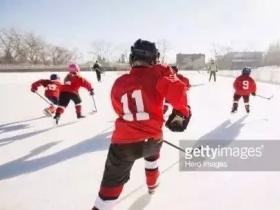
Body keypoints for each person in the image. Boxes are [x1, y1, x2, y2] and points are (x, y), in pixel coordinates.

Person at [91, 39, 191, 210]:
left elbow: (118, 109)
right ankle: (152, 186)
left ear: (132, 58)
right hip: (152, 140)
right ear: (154, 59)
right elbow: (178, 92)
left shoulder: (120, 82)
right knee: (152, 161)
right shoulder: (158, 75)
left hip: (124, 144)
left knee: (109, 190)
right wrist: (184, 111)